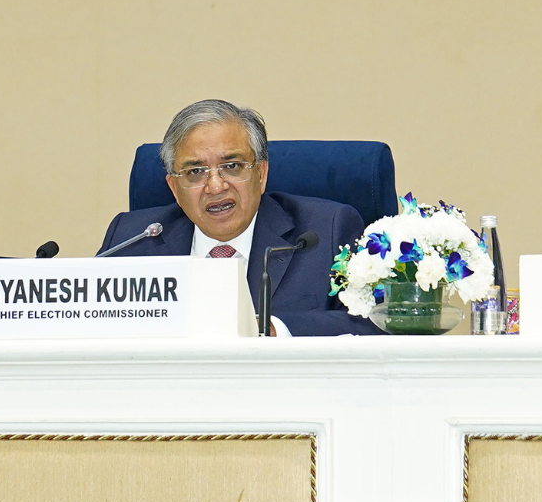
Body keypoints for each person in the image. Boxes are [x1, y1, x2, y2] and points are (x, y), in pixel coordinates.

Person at [97, 99, 382, 336]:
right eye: (195, 172)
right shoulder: (132, 239)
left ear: (260, 174)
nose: (216, 186)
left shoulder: (325, 231)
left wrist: (274, 329)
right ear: (173, 187)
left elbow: (375, 322)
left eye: (231, 166)